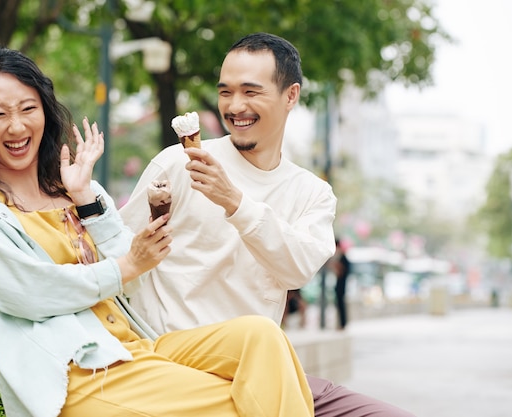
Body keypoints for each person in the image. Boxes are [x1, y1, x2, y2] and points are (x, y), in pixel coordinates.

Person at [0, 46, 317, 417]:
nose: (17, 125)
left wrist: (87, 202)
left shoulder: (75, 187)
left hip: (137, 348)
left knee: (261, 336)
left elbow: (131, 272)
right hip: (83, 374)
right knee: (241, 402)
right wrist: (125, 265)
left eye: (28, 108)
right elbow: (33, 292)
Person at [121, 33, 415, 417]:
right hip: (179, 361)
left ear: (291, 95)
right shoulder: (179, 164)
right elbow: (117, 253)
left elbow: (296, 270)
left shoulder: (312, 193)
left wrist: (235, 202)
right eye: (225, 92)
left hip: (262, 366)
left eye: (250, 91)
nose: (235, 105)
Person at [331, 238, 351, 330]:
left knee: (341, 305)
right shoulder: (342, 257)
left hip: (341, 286)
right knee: (340, 305)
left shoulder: (342, 258)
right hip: (340, 285)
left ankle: (342, 324)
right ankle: (341, 324)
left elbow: (341, 271)